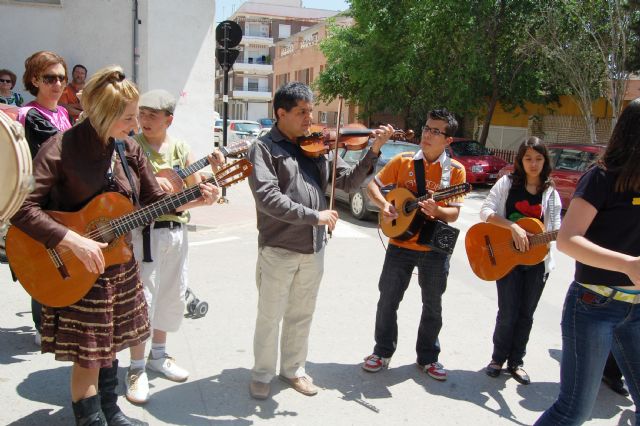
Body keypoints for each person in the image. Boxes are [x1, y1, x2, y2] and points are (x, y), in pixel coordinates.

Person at [10, 65, 219, 426]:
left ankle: (110, 408)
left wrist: (197, 199)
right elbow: (21, 208)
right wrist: (71, 239)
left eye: (137, 117)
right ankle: (90, 419)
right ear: (104, 114)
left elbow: (154, 201)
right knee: (89, 357)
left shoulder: (128, 150)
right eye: (128, 118)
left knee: (109, 350)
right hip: (75, 268)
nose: (135, 125)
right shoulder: (58, 149)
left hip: (118, 266)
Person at [247, 81, 394, 399]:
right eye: (301, 112)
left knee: (302, 313)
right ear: (280, 113)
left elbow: (348, 182)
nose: (309, 120)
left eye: (310, 112)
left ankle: (293, 370)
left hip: (313, 248)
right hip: (278, 247)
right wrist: (316, 216)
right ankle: (261, 374)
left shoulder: (318, 148)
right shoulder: (263, 148)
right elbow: (268, 198)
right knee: (270, 316)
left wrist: (374, 150)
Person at [535, 98, 640, 425]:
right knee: (573, 412)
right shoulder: (601, 177)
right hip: (594, 306)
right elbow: (568, 239)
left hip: (636, 310)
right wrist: (627, 264)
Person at [125, 89, 224, 404]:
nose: (144, 121)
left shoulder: (181, 149)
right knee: (142, 297)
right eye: (142, 114)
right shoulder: (131, 146)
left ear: (169, 119)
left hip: (176, 231)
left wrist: (209, 195)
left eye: (152, 116)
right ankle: (136, 367)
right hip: (143, 233)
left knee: (171, 294)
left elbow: (195, 191)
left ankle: (159, 355)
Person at [361, 109, 465, 381]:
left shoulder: (455, 171)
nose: (427, 134)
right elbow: (372, 184)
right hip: (400, 243)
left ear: (448, 141)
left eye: (435, 131)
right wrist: (384, 205)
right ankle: (382, 351)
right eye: (427, 128)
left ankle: (428, 358)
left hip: (434, 246)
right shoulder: (403, 160)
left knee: (433, 304)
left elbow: (454, 213)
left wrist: (438, 211)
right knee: (387, 300)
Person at [479, 137, 561, 385]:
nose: (533, 164)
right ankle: (497, 359)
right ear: (520, 160)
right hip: (506, 259)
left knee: (526, 314)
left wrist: (540, 238)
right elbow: (486, 211)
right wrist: (513, 226)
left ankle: (516, 362)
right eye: (528, 158)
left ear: (545, 161)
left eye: (538, 159)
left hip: (537, 264)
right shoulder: (507, 184)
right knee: (507, 312)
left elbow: (556, 229)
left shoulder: (551, 193)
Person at [17, 51, 73, 345]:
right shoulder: (29, 115)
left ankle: (58, 320)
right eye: (50, 78)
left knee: (62, 263)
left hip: (63, 200)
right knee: (42, 264)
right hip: (39, 201)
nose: (57, 84)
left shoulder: (62, 113)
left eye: (61, 78)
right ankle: (42, 326)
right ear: (35, 79)